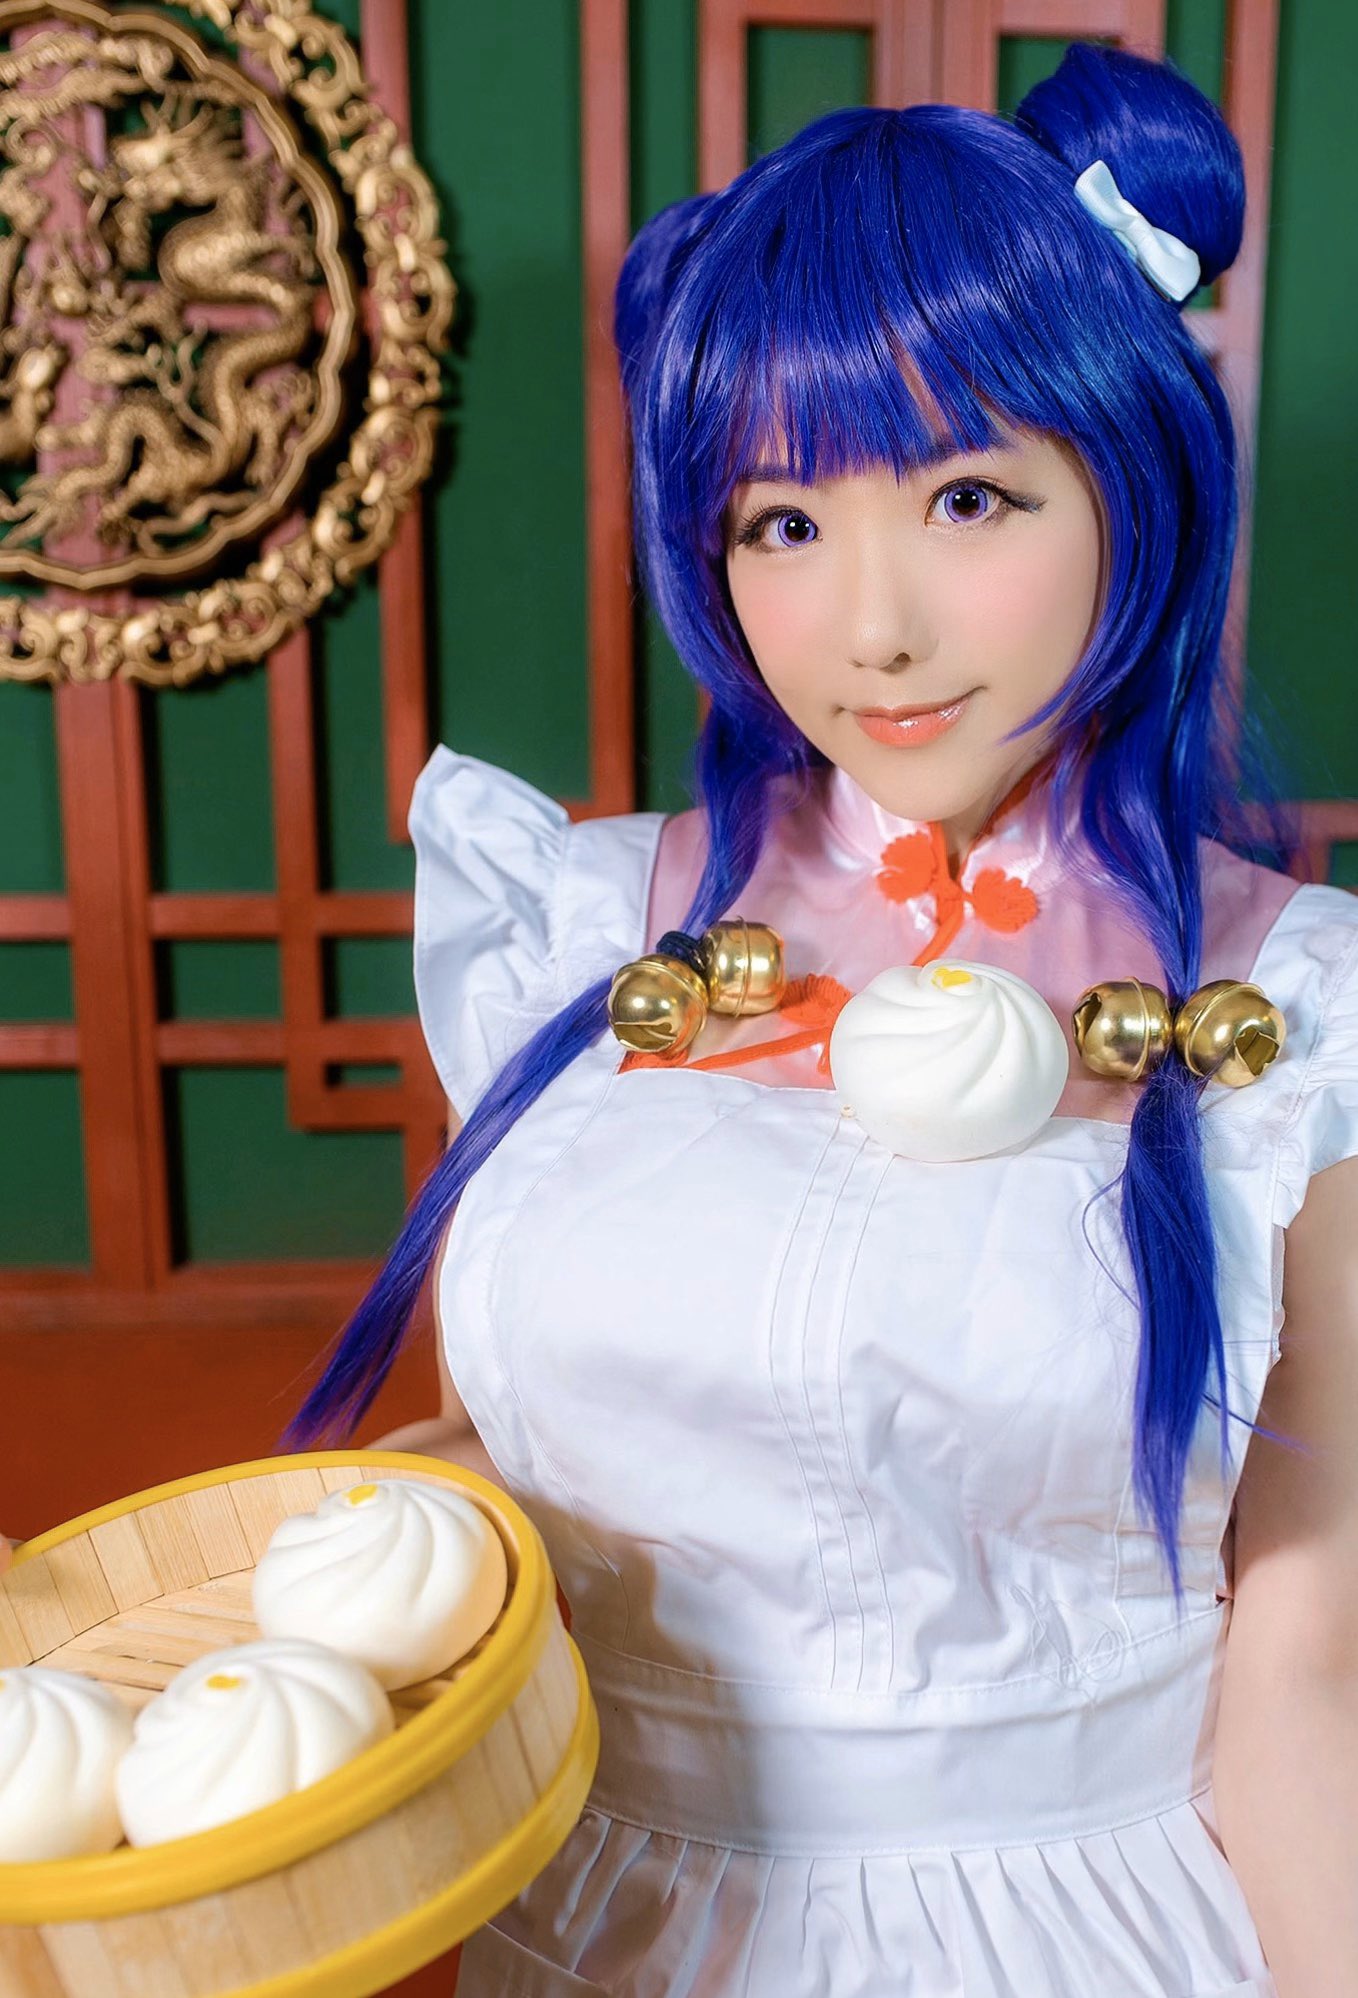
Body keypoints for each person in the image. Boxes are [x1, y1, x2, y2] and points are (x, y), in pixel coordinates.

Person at [278, 42, 1358, 1997]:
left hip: (1076, 1936)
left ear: (1136, 489)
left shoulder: (1292, 1011)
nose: (871, 627)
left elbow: (1307, 1663)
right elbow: (529, 1462)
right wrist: (250, 1625)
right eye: (781, 521)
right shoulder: (569, 926)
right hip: (590, 1920)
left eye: (967, 496)